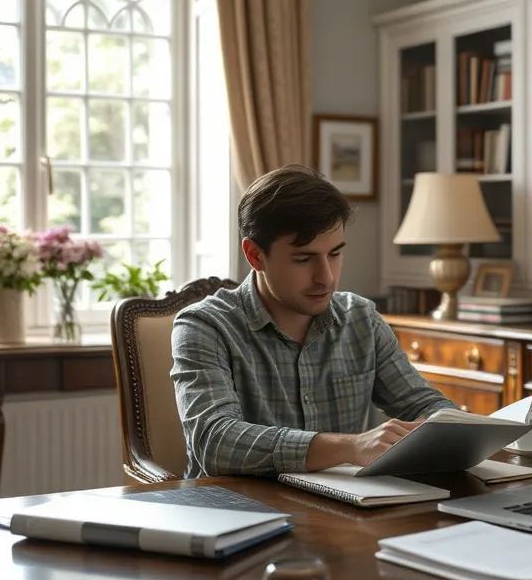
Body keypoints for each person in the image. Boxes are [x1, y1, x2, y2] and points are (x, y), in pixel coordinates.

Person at [171, 164, 457, 478]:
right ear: (255, 255)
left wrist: (453, 429)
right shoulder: (204, 327)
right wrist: (350, 447)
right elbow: (215, 443)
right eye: (304, 259)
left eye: (335, 254)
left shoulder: (361, 319)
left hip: (344, 504)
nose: (326, 277)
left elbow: (424, 405)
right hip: (235, 505)